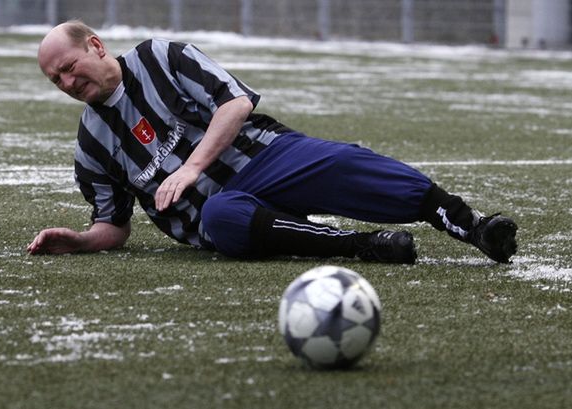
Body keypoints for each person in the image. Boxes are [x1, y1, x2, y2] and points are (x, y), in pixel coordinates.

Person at [28, 20, 518, 264]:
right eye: (56, 81)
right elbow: (113, 226)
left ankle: (468, 223)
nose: (67, 83)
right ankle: (362, 246)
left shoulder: (162, 56)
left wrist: (191, 167)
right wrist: (80, 241)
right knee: (222, 218)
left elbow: (234, 103)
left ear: (95, 45)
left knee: (342, 161)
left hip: (264, 156)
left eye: (68, 68)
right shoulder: (91, 146)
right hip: (216, 215)